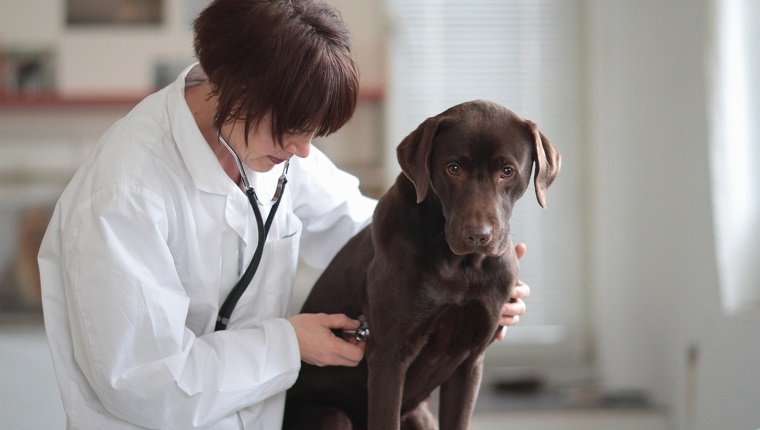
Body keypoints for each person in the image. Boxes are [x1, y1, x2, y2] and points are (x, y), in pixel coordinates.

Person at [37, 0, 530, 428]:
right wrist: (287, 344)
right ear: (231, 87)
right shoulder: (122, 195)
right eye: (292, 128)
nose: (302, 150)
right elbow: (143, 383)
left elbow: (364, 230)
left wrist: (466, 283)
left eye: (314, 131)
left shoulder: (269, 145)